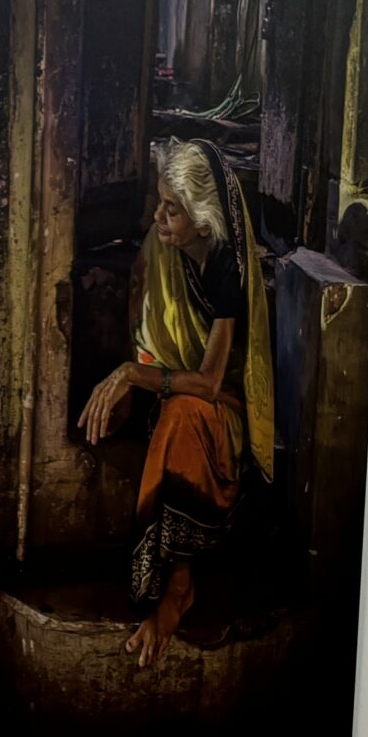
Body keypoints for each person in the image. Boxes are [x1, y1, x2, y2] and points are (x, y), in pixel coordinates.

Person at [75, 137, 276, 668]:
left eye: (172, 210)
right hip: (167, 388)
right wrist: (133, 375)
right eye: (159, 202)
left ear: (203, 222)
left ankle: (179, 587)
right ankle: (172, 585)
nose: (157, 217)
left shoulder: (226, 268)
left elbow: (209, 384)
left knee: (187, 413)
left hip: (219, 406)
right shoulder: (160, 250)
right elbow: (144, 329)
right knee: (174, 411)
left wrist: (132, 376)